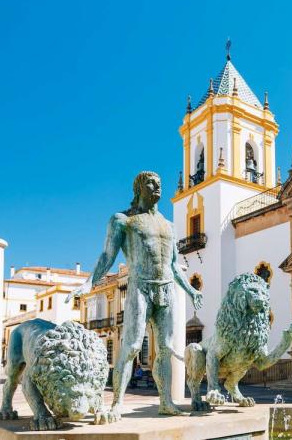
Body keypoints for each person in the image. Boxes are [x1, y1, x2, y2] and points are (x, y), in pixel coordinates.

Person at [68, 171, 203, 420]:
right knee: (130, 346)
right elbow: (107, 256)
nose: (157, 187)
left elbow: (174, 265)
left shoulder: (168, 225)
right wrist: (89, 284)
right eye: (151, 183)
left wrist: (190, 290)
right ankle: (117, 403)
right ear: (139, 188)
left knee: (164, 348)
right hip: (140, 287)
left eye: (159, 183)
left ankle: (166, 402)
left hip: (165, 288)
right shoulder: (123, 220)